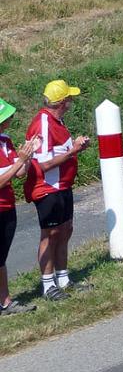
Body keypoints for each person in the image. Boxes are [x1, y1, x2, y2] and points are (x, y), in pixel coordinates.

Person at [25, 80, 92, 300]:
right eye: (69, 98)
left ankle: (63, 279)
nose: (72, 101)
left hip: (63, 185)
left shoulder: (57, 121)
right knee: (50, 234)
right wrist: (74, 151)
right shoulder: (44, 122)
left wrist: (76, 146)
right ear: (63, 101)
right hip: (48, 187)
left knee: (66, 230)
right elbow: (43, 164)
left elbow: (60, 150)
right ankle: (47, 285)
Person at [0, 98, 37, 315]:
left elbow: (20, 173)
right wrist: (18, 162)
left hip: (7, 206)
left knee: (1, 257)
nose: (10, 120)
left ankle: (5, 302)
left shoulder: (5, 141)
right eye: (6, 117)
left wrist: (28, 156)